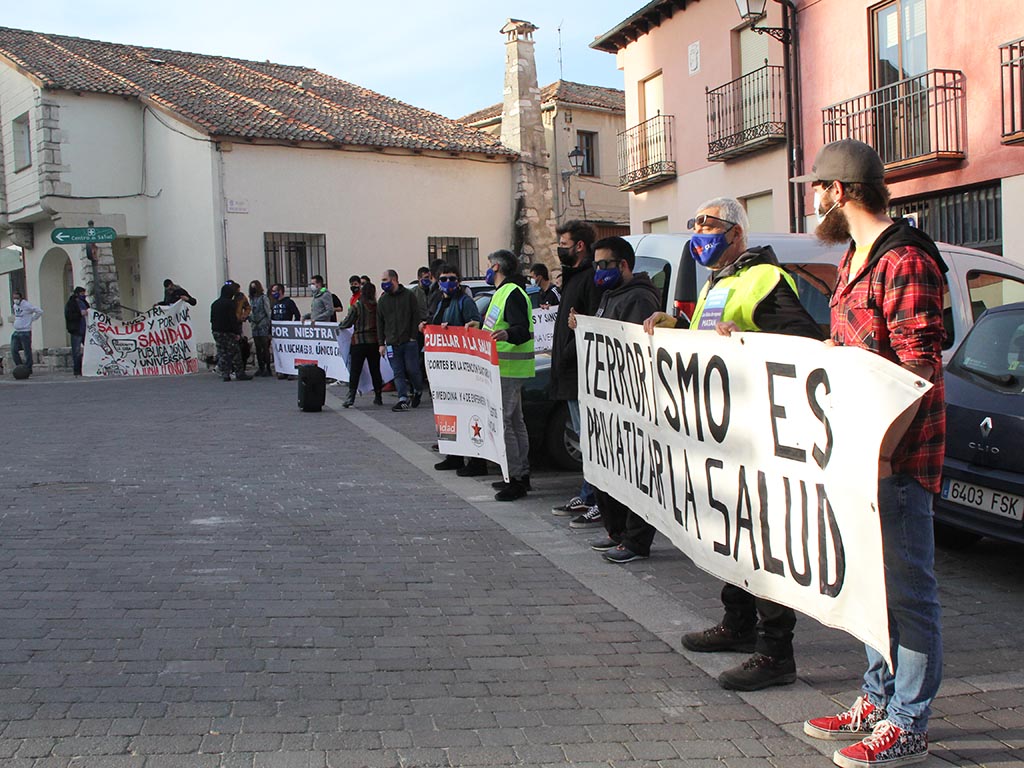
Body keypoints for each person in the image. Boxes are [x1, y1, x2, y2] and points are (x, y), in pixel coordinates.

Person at [796, 140, 945, 768]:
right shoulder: (855, 257)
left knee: (907, 592)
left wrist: (884, 448)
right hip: (859, 453)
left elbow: (918, 368)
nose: (813, 201)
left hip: (897, 459)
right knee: (870, 588)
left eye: (816, 189)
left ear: (839, 192)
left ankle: (908, 721)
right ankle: (878, 699)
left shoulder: (904, 259)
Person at [645, 197, 827, 693]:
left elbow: (803, 344)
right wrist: (675, 329)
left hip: (759, 436)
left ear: (737, 233)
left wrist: (748, 341)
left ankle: (776, 652)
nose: (699, 233)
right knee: (732, 532)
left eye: (709, 225)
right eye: (696, 224)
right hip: (725, 437)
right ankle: (738, 623)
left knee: (764, 543)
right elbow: (709, 343)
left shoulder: (765, 279)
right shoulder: (717, 283)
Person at [569, 237, 662, 555]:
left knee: (635, 472)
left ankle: (635, 540)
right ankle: (617, 531)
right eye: (596, 265)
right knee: (608, 470)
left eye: (604, 264)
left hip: (629, 402)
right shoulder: (611, 296)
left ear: (623, 265)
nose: (598, 270)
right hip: (607, 401)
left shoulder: (639, 298)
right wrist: (582, 327)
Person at [550, 220, 603, 523]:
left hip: (581, 372)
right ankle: (588, 493)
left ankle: (596, 498)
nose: (560, 249)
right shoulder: (573, 278)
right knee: (584, 439)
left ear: (580, 246)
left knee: (590, 438)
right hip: (571, 372)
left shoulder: (588, 279)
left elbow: (589, 325)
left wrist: (567, 356)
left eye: (564, 244)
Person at [479, 250, 534, 501]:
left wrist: (508, 335)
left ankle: (516, 478)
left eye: (489, 265)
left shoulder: (511, 292)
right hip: (504, 367)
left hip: (508, 367)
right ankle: (520, 475)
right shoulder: (504, 292)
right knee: (515, 422)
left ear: (497, 267)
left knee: (505, 423)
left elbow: (521, 329)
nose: (487, 269)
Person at [424, 264, 486, 475]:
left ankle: (476, 461)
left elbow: (475, 326)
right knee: (448, 413)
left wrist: (455, 329)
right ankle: (453, 455)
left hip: (463, 368)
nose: (448, 282)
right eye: (443, 279)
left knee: (468, 414)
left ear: (458, 281)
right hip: (445, 369)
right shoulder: (440, 301)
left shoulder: (464, 302)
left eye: (452, 278)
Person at [377, 269, 425, 411]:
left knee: (412, 370)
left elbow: (416, 315)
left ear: (394, 280)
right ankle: (402, 398)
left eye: (385, 280)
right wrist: (381, 343)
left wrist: (413, 336)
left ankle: (418, 390)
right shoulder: (383, 300)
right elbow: (380, 323)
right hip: (392, 343)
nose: (382, 283)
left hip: (408, 342)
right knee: (398, 372)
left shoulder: (408, 296)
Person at [338, 282, 385, 408]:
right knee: (375, 370)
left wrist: (340, 325)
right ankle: (378, 396)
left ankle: (351, 397)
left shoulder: (357, 306)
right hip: (374, 342)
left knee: (355, 370)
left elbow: (347, 323)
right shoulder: (377, 307)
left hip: (358, 342)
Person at [210, 281, 252, 381]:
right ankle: (239, 373)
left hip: (217, 331)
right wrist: (237, 333)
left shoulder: (215, 304)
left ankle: (225, 374)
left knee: (223, 353)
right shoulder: (230, 304)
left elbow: (212, 319)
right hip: (228, 332)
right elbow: (232, 319)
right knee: (235, 352)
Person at [10, 290, 43, 375]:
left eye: (17, 298)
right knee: (13, 350)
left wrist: (32, 319)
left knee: (27, 351)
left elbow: (39, 311)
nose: (15, 300)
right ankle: (20, 366)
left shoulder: (27, 305)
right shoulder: (15, 306)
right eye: (14, 298)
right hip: (17, 331)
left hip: (25, 331)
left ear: (21, 298)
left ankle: (28, 368)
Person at [248, 280, 273, 377]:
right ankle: (261, 367)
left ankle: (267, 367)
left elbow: (268, 311)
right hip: (255, 325)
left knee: (265, 347)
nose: (253, 289)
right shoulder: (252, 298)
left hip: (263, 324)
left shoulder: (263, 298)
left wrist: (269, 324)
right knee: (258, 347)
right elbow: (251, 311)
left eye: (254, 287)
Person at [64, 286, 89, 377]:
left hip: (85, 329)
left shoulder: (84, 302)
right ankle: (77, 370)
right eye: (82, 294)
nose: (83, 295)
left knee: (88, 349)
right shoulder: (71, 303)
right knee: (76, 351)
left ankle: (85, 367)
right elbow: (69, 316)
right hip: (76, 330)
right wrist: (79, 314)